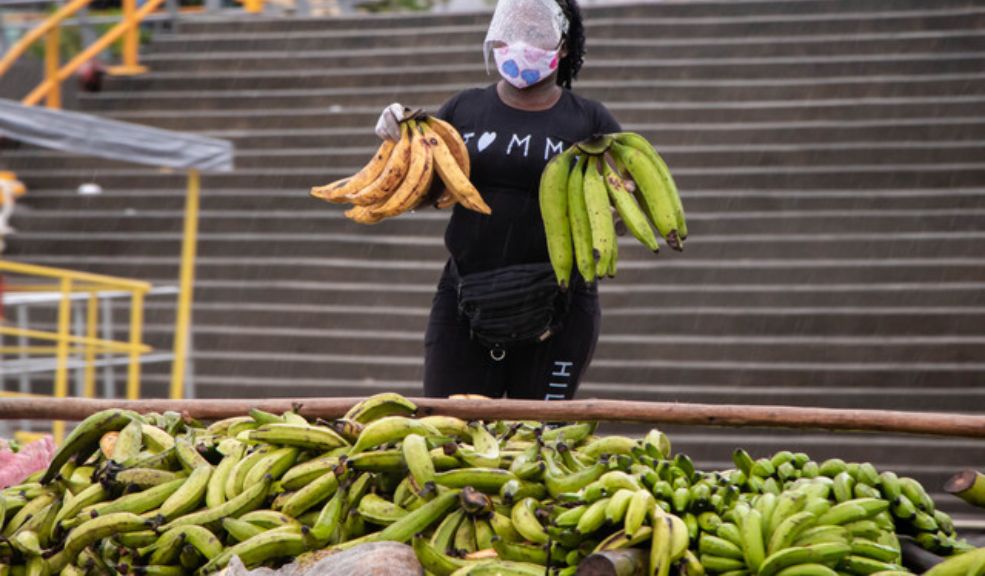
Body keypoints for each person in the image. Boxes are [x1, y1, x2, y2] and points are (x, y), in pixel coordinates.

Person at [375, 0, 621, 401]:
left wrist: (612, 216)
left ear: (562, 46)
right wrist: (398, 139)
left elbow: (629, 205)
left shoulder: (590, 123)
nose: (522, 41)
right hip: (465, 299)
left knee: (537, 442)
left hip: (559, 305)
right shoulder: (463, 109)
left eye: (536, 33)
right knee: (450, 430)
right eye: (513, 29)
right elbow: (427, 193)